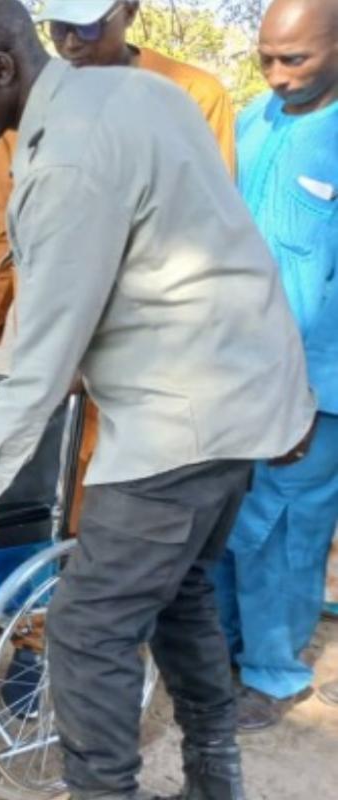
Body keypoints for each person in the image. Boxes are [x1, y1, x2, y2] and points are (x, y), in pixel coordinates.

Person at [0, 1, 316, 798]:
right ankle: (215, 780)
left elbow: (47, 360)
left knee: (87, 628)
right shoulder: (145, 93)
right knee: (180, 590)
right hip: (242, 402)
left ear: (1, 68)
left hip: (180, 422)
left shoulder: (67, 161)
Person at [0, 0, 239, 524]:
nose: (71, 43)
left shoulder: (189, 93)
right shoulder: (22, 111)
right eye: (58, 28)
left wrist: (73, 345)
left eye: (87, 26)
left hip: (150, 375)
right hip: (63, 364)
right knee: (68, 506)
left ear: (129, 11)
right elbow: (9, 233)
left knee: (132, 528)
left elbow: (194, 234)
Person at [212, 0, 338, 733]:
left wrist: (307, 392)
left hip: (315, 386)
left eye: (297, 59)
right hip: (234, 372)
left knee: (286, 526)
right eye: (266, 58)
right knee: (230, 519)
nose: (278, 75)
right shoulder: (251, 124)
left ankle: (273, 673)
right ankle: (226, 652)